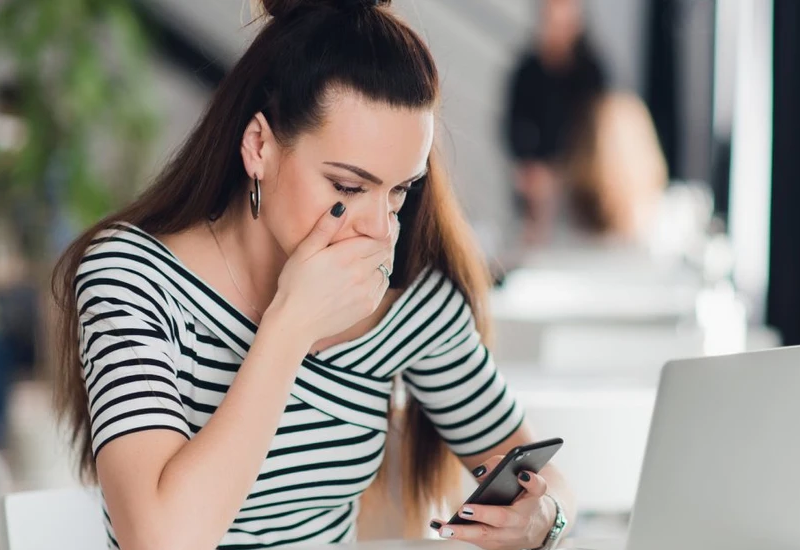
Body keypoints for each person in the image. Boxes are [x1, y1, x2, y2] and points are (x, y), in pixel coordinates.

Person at [50, 1, 575, 549]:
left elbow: (544, 482)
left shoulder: (408, 306)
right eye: (347, 188)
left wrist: (546, 520)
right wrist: (290, 327)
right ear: (259, 146)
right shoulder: (131, 278)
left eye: (399, 191)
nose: (378, 229)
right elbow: (159, 541)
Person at [504, 0, 607, 247]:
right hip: (538, 180)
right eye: (553, 22)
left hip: (584, 174)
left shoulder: (592, 72)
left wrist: (563, 171)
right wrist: (530, 166)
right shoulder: (526, 70)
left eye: (565, 24)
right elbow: (514, 126)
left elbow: (599, 133)